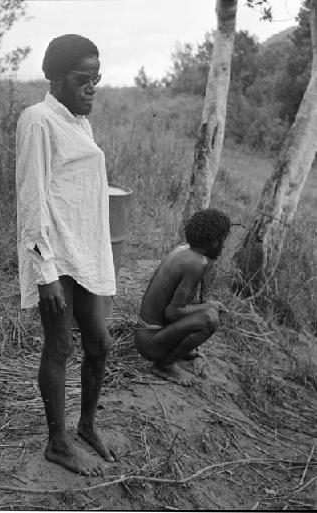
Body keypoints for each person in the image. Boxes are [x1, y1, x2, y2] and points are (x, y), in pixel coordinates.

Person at [15, 34, 117, 476]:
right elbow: (32, 197)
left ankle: (87, 426)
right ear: (56, 78)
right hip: (56, 255)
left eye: (96, 78)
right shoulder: (38, 120)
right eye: (82, 78)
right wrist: (45, 270)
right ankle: (57, 440)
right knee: (60, 346)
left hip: (85, 251)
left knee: (100, 344)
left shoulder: (80, 123)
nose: (91, 86)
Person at [134, 209, 231, 386]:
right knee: (210, 319)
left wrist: (205, 303)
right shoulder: (196, 264)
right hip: (150, 343)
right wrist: (207, 307)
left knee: (205, 308)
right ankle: (164, 365)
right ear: (214, 241)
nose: (223, 247)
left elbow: (182, 300)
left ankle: (178, 349)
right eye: (223, 241)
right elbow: (173, 312)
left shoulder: (185, 249)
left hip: (147, 334)